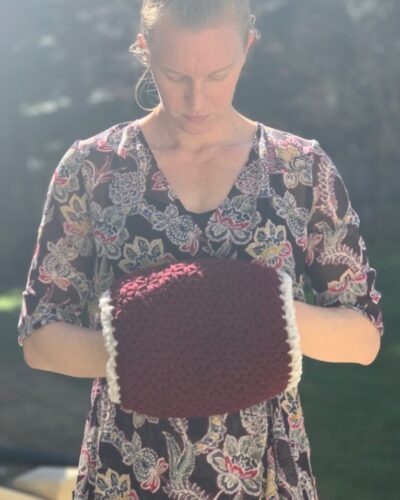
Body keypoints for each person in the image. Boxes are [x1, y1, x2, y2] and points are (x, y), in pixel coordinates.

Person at [17, 0, 384, 498]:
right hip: (128, 470)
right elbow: (40, 337)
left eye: (218, 74)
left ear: (247, 48)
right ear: (145, 51)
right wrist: (150, 344)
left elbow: (364, 337)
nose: (196, 100)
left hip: (263, 474)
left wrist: (262, 308)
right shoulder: (93, 167)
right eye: (174, 74)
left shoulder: (301, 168)